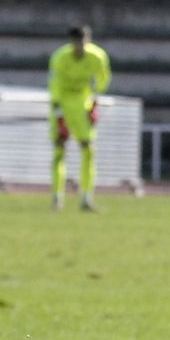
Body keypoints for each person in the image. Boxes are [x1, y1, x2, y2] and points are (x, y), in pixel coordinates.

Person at [48, 24, 110, 211]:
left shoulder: (97, 57)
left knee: (88, 150)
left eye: (83, 41)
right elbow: (54, 83)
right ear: (71, 42)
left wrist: (95, 100)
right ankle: (57, 198)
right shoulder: (60, 58)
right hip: (63, 105)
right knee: (59, 150)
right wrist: (58, 112)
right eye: (76, 41)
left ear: (88, 40)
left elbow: (103, 79)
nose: (80, 45)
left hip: (83, 105)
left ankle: (86, 198)